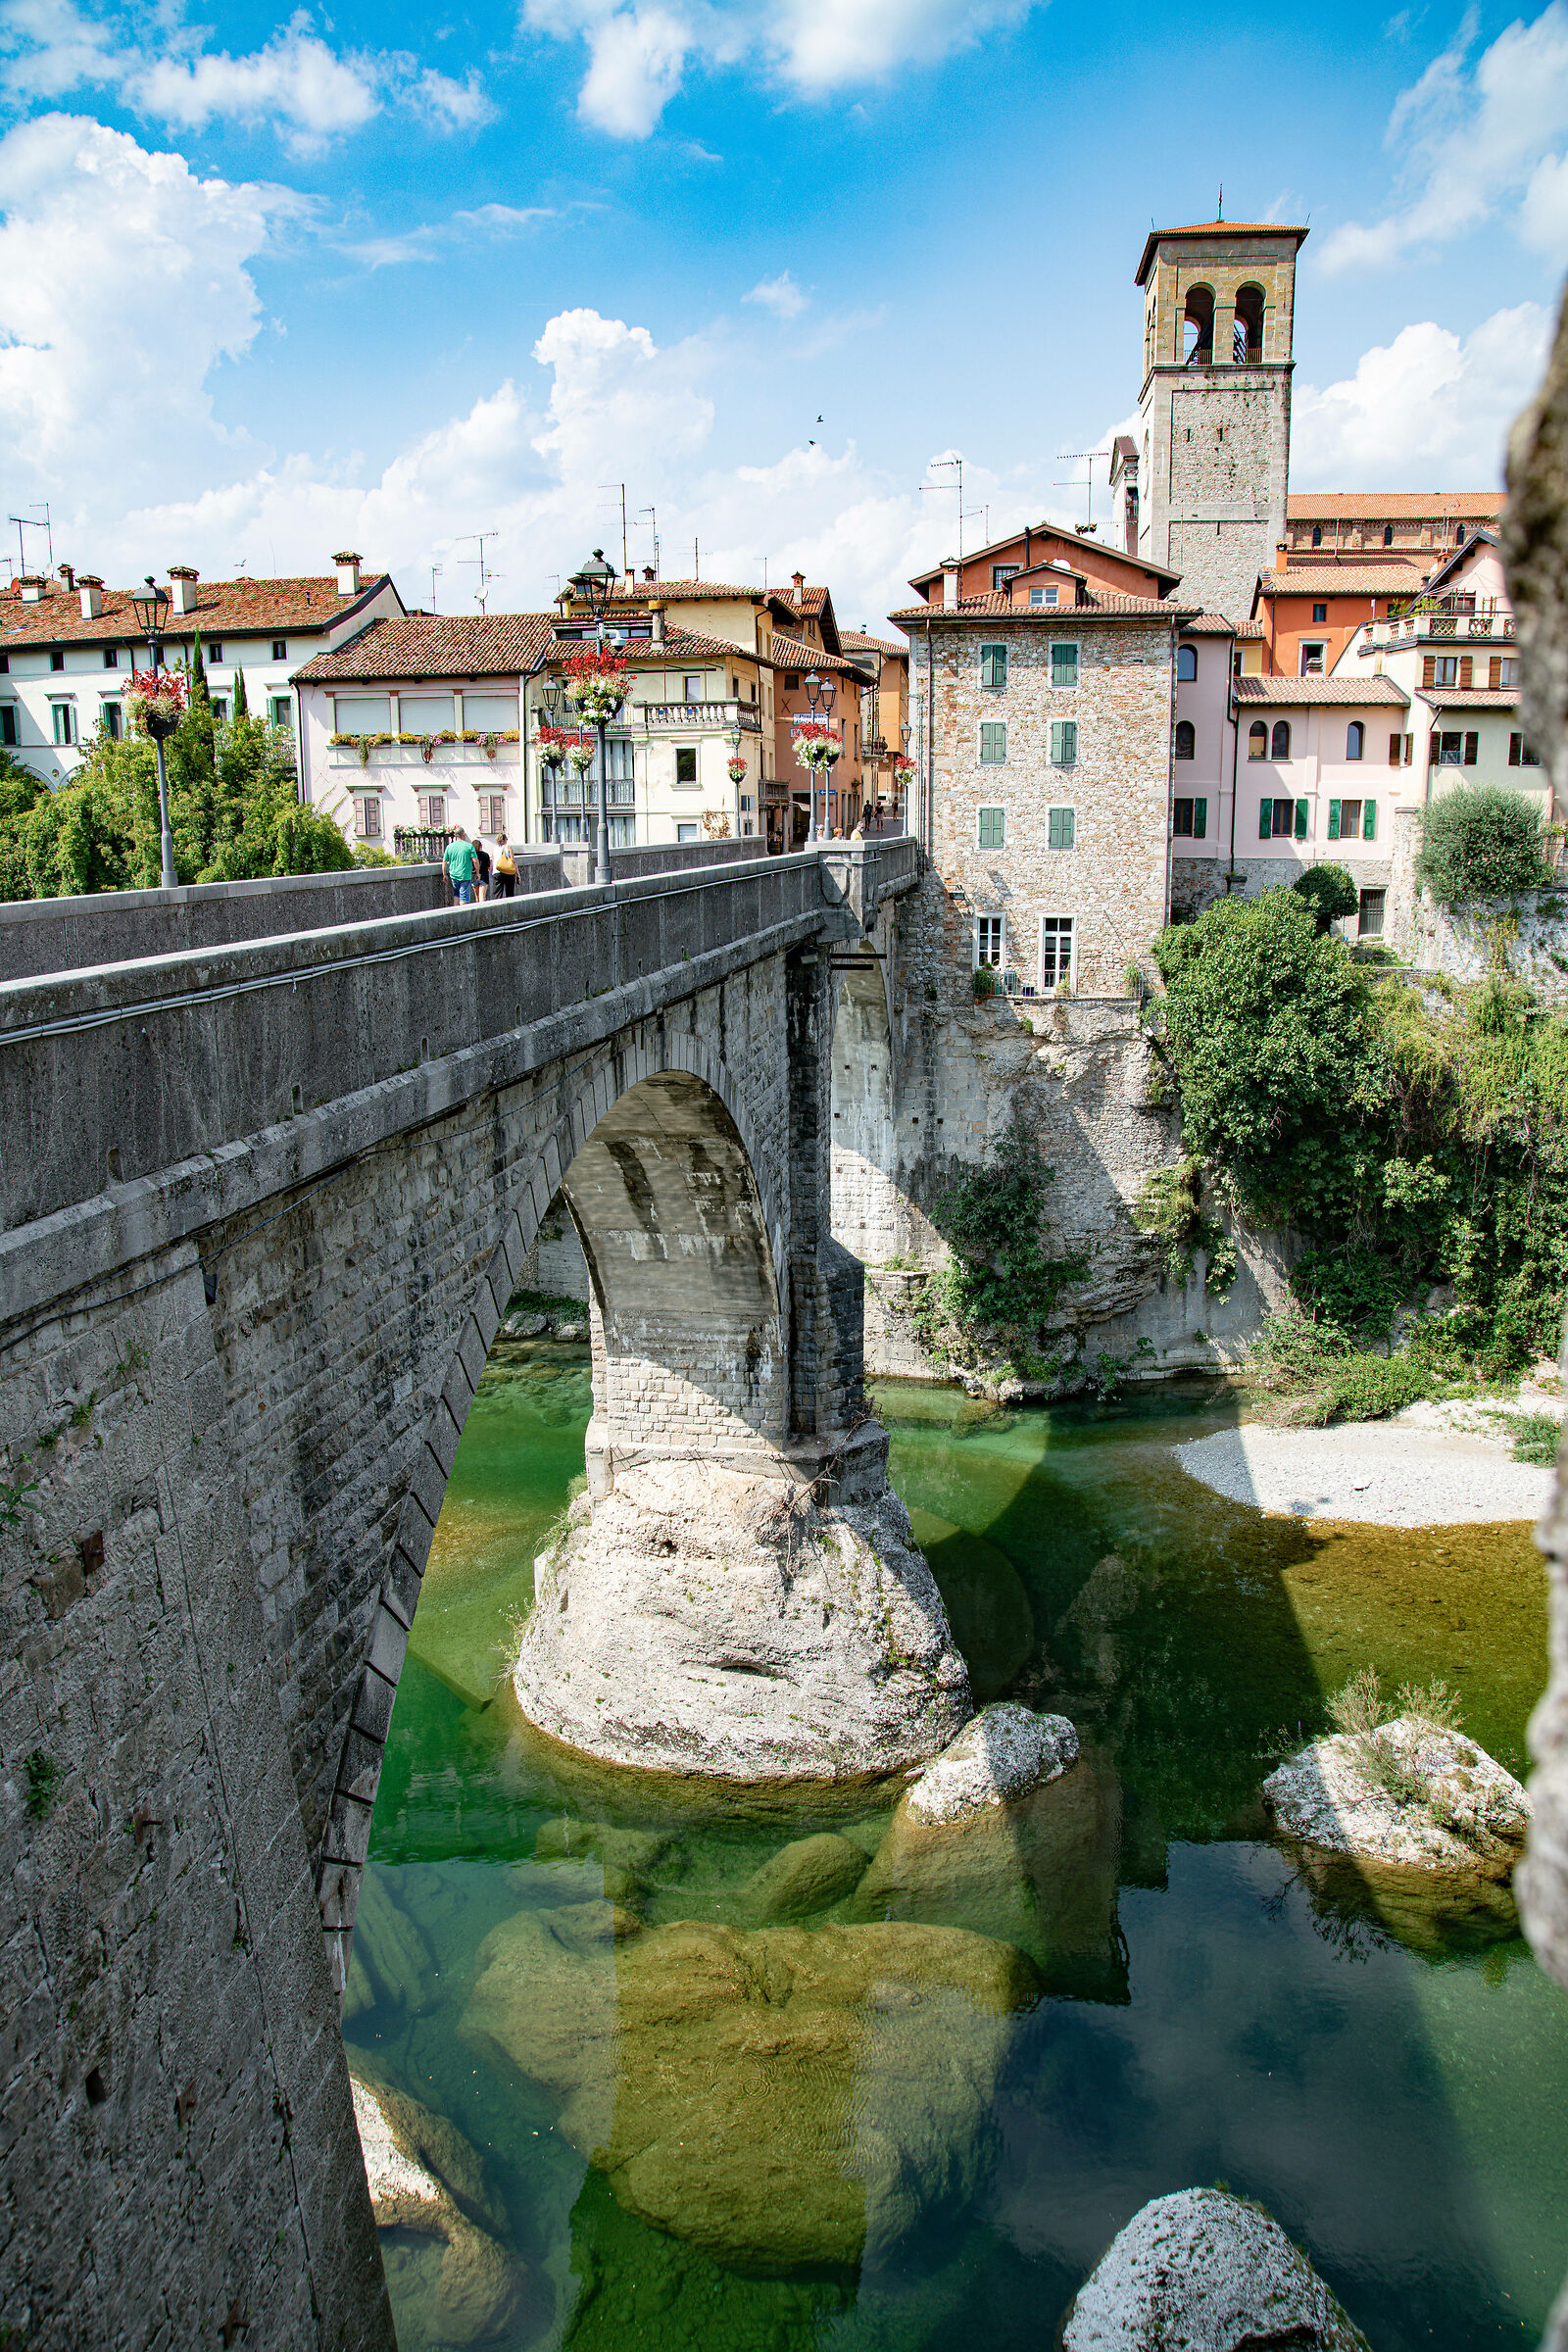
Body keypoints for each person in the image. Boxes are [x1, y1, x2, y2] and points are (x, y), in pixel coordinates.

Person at [444, 828, 477, 904]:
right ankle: (463, 913)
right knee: (464, 896)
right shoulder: (469, 846)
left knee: (456, 894)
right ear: (463, 834)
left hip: (453, 875)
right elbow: (475, 861)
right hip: (465, 875)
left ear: (455, 835)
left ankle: (455, 911)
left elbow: (444, 862)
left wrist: (444, 874)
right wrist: (477, 872)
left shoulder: (449, 847)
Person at [493, 833, 518, 899]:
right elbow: (513, 861)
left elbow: (493, 861)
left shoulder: (494, 849)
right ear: (504, 840)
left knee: (498, 894)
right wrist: (518, 874)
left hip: (497, 872)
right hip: (507, 872)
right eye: (506, 839)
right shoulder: (508, 847)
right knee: (509, 893)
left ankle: (497, 907)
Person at [472, 837, 492, 902]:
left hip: (474, 876)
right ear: (480, 846)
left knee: (477, 897)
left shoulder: (471, 855)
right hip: (483, 876)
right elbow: (488, 867)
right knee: (482, 897)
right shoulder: (485, 855)